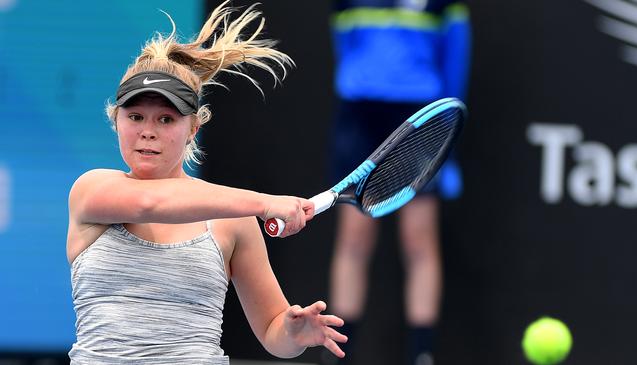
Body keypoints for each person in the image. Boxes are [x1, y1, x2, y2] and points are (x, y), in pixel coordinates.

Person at [66, 3, 347, 364]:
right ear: (116, 121)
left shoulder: (231, 219)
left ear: (193, 128)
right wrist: (264, 202)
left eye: (166, 120)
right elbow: (150, 203)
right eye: (135, 116)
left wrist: (294, 333)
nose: (148, 132)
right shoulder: (91, 190)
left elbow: (272, 330)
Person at [325, 1, 471, 364]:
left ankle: (422, 355)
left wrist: (448, 148)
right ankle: (339, 353)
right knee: (354, 239)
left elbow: (456, 57)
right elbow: (342, 45)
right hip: (360, 115)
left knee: (418, 240)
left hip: (419, 116)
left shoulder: (445, 6)